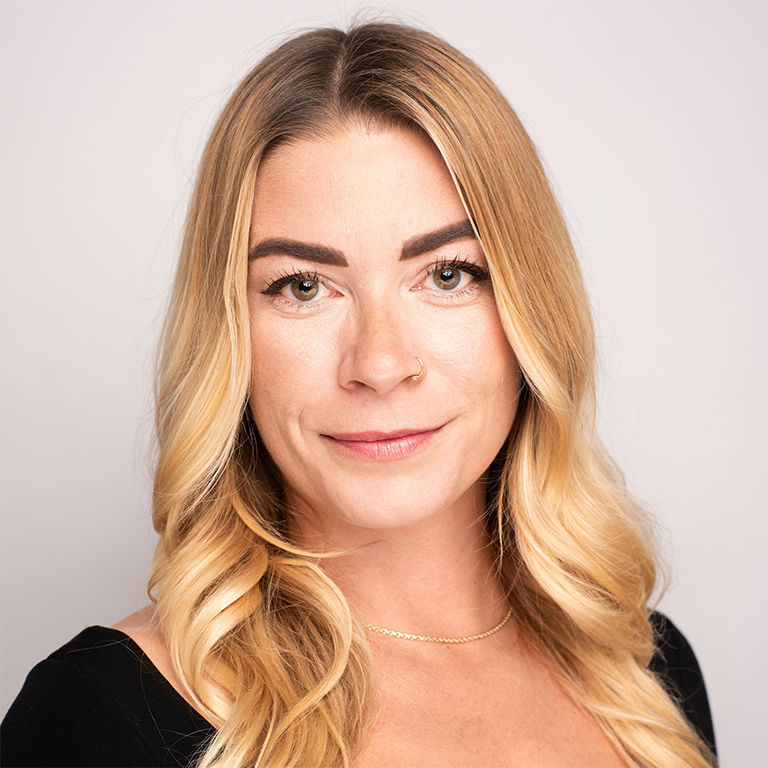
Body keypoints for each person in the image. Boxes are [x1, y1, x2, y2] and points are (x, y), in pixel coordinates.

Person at [0, 22, 716, 768]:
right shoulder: (98, 719)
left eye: (447, 274)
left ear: (531, 309)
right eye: (304, 287)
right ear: (230, 336)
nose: (379, 363)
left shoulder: (649, 677)